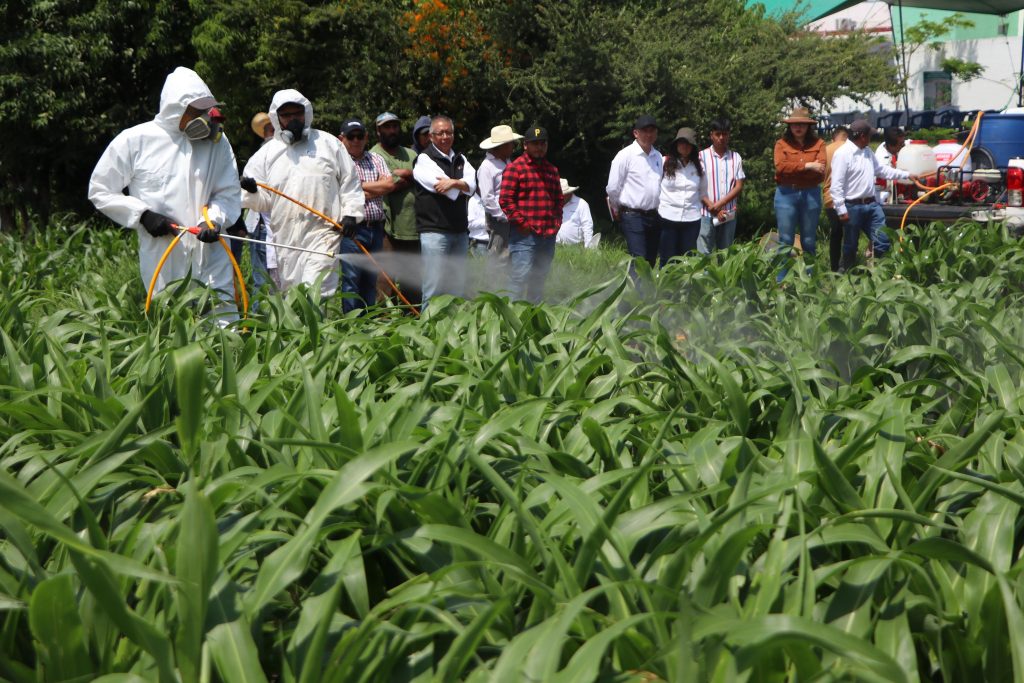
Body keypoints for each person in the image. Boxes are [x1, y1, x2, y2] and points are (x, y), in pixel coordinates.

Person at [88, 66, 241, 323]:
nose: (205, 118)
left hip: (210, 254)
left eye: (206, 111)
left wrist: (213, 219)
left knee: (223, 327)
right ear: (175, 109)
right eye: (196, 112)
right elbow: (100, 189)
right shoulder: (136, 140)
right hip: (164, 254)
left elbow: (228, 192)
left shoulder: (217, 143)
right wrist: (142, 215)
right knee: (169, 327)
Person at [240, 89, 364, 297]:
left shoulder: (328, 144)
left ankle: (316, 328)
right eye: (286, 115)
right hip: (285, 236)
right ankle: (301, 330)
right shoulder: (267, 154)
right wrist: (253, 192)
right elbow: (263, 202)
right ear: (277, 118)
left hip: (323, 233)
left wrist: (351, 214)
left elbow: (349, 182)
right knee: (293, 294)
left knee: (316, 291)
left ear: (306, 113)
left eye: (297, 113)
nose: (293, 119)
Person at [831, 119, 918, 272]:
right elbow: (836, 185)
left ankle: (879, 273)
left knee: (883, 240)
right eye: (869, 135)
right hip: (852, 206)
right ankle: (846, 275)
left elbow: (882, 171)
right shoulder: (842, 154)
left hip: (872, 205)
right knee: (851, 245)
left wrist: (907, 174)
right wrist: (841, 210)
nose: (871, 138)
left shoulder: (868, 152)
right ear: (862, 136)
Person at [412, 115, 476, 306]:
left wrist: (455, 182)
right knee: (434, 287)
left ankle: (452, 331)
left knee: (456, 288)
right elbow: (451, 193)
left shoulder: (461, 158)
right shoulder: (423, 159)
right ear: (431, 136)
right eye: (440, 133)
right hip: (434, 232)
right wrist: (462, 185)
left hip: (459, 232)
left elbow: (473, 186)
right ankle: (428, 332)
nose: (445, 136)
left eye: (449, 132)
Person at [499, 126, 562, 302]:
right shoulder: (515, 168)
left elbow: (558, 201)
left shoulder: (552, 170)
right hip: (524, 235)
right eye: (535, 144)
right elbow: (505, 200)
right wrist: (522, 224)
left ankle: (533, 320)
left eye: (542, 143)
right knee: (519, 278)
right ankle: (512, 319)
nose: (539, 147)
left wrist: (557, 223)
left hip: (547, 234)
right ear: (525, 145)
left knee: (539, 280)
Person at [339, 119, 393, 312]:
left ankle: (367, 324)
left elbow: (389, 185)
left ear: (366, 137)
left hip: (376, 228)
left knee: (371, 280)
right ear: (341, 139)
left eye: (360, 136)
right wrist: (374, 189)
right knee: (351, 280)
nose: (356, 140)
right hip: (353, 230)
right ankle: (350, 323)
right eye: (351, 136)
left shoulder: (376, 159)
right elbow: (339, 191)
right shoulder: (340, 162)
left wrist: (356, 187)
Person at [773, 107, 826, 281]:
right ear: (789, 126)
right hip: (786, 194)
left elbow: (821, 170)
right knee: (785, 240)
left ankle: (810, 280)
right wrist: (808, 166)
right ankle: (781, 281)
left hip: (811, 193)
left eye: (802, 124)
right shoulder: (781, 144)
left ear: (808, 126)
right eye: (795, 124)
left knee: (809, 240)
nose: (798, 127)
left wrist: (794, 168)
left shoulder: (819, 144)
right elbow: (781, 168)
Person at [606, 114, 663, 270]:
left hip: (654, 215)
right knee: (639, 257)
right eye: (645, 131)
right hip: (632, 214)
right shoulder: (625, 155)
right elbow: (612, 187)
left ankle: (640, 292)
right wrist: (617, 208)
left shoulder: (658, 156)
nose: (649, 134)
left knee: (650, 259)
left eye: (652, 131)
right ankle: (638, 294)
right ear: (636, 133)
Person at [658, 127, 706, 265]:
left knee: (687, 259)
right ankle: (666, 286)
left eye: (688, 143)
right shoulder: (664, 162)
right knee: (667, 258)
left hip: (691, 219)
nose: (684, 146)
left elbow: (702, 192)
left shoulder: (699, 167)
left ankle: (684, 287)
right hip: (668, 217)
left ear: (693, 147)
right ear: (676, 145)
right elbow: (656, 188)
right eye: (681, 142)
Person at [697, 118, 745, 254]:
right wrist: (713, 207)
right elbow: (697, 186)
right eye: (718, 134)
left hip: (728, 213)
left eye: (725, 134)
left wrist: (719, 205)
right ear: (711, 135)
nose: (721, 137)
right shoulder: (701, 156)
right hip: (706, 213)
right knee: (703, 254)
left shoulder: (736, 157)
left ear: (729, 135)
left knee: (725, 254)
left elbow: (739, 185)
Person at [478, 124, 523, 268]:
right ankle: (493, 286)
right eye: (511, 144)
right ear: (501, 146)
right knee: (498, 255)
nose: (514, 147)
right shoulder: (486, 167)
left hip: (512, 214)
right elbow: (487, 198)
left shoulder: (507, 162)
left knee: (511, 253)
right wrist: (504, 215)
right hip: (499, 218)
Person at [822, 126, 849, 272]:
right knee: (850, 234)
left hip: (829, 197)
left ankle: (834, 267)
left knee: (836, 233)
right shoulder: (851, 149)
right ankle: (846, 265)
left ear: (834, 137)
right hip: (848, 197)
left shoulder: (826, 149)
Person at [556, 179, 596, 248]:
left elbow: (587, 226)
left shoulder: (581, 204)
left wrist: (588, 247)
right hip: (556, 247)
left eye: (563, 195)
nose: (560, 197)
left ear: (569, 193)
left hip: (576, 247)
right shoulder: (554, 204)